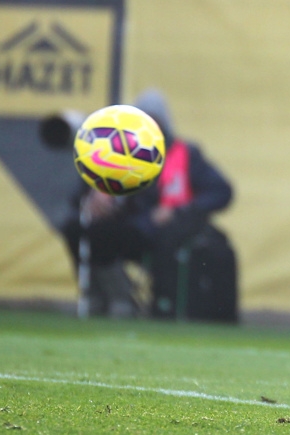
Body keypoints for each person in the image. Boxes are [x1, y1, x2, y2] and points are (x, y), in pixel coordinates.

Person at [60, 89, 234, 319]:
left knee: (122, 234)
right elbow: (79, 196)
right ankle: (102, 294)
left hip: (160, 231)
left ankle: (129, 300)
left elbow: (222, 191)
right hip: (125, 223)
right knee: (76, 228)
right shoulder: (115, 152)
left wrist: (179, 210)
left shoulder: (185, 154)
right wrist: (94, 198)